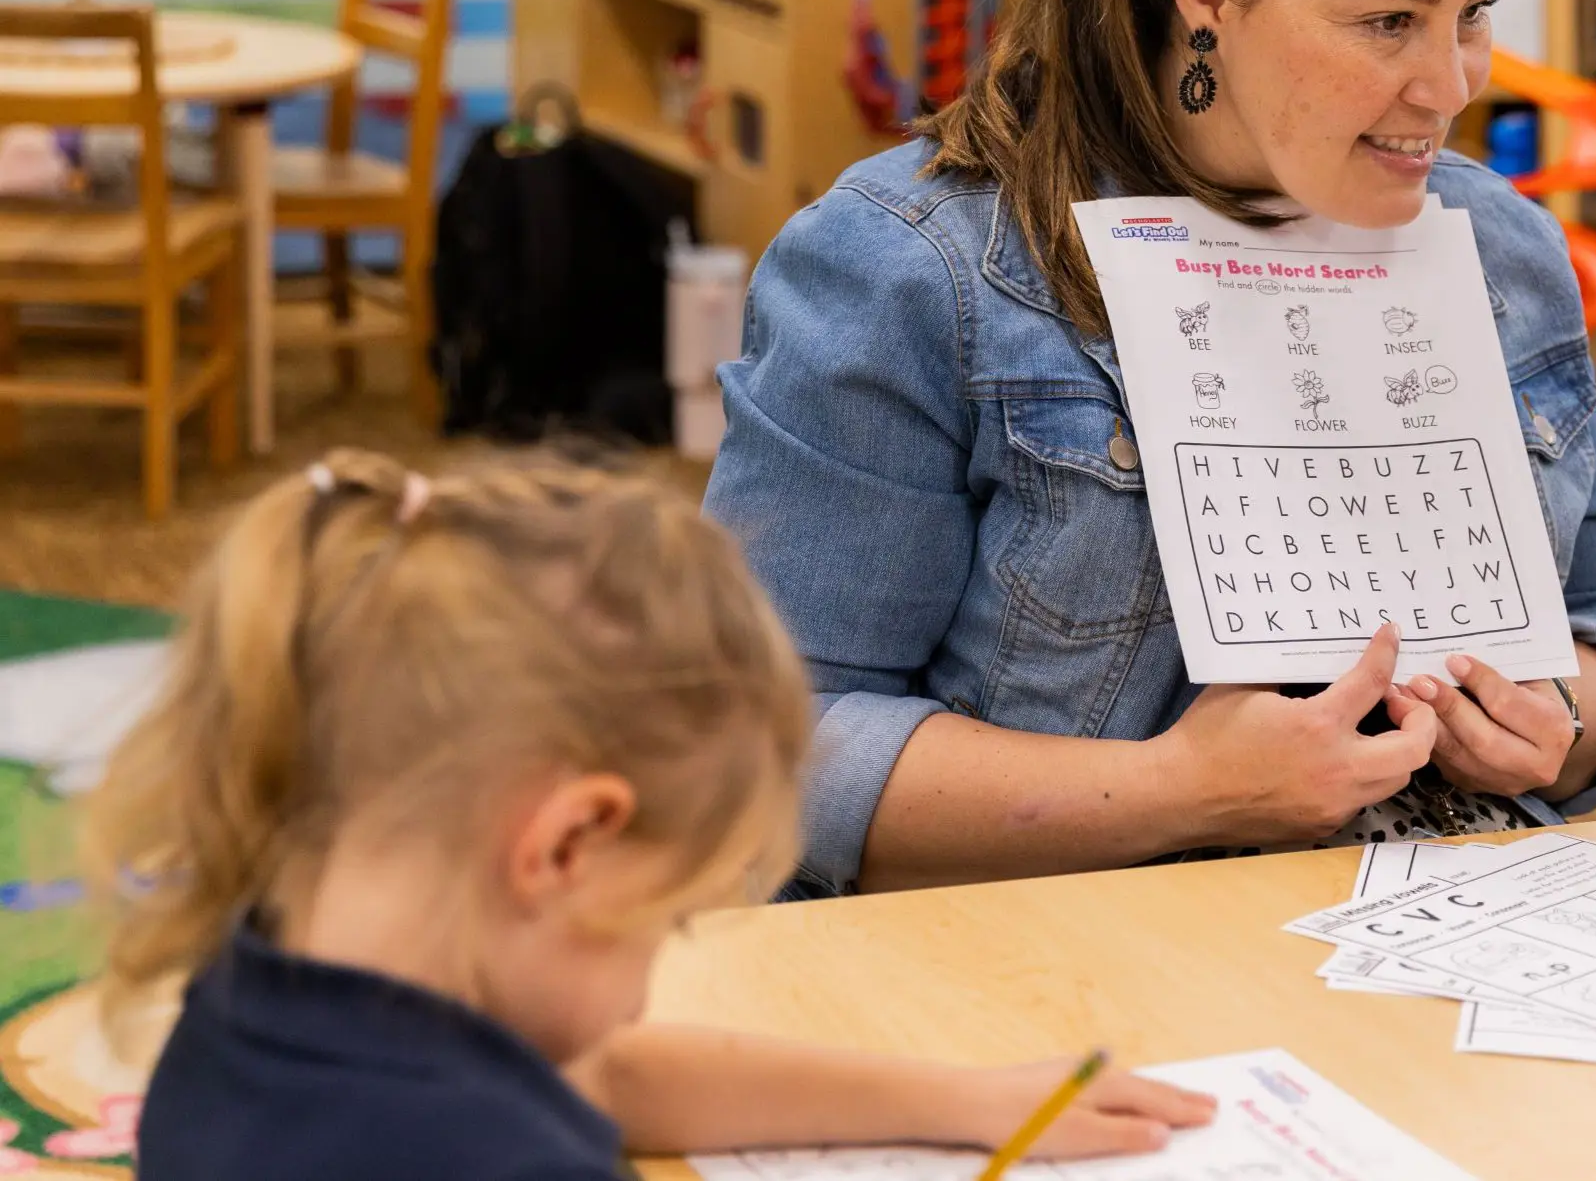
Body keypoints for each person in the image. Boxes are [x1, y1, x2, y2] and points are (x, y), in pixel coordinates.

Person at [705, 0, 1596, 899]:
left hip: (1450, 925)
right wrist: (1187, 789)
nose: (1452, 84)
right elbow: (764, 750)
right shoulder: (909, 270)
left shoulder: (1504, 250)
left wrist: (1560, 714)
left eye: (1472, 12)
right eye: (1388, 21)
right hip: (1073, 955)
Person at [87, 449, 1212, 1181]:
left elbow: (611, 1074)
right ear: (568, 843)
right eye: (664, 923)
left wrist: (971, 1102)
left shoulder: (271, 990)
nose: (643, 982)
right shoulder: (481, 1154)